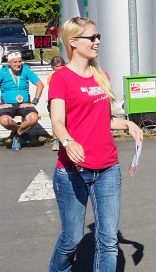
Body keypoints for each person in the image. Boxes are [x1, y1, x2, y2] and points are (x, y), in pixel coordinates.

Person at [48, 17, 143, 272]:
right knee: (72, 239)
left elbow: (104, 119)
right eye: (92, 37)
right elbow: (57, 121)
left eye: (98, 36)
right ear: (73, 42)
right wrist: (68, 141)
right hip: (72, 172)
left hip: (107, 168)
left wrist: (127, 124)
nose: (97, 41)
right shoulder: (61, 78)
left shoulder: (102, 76)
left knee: (109, 241)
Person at [0, 50, 44, 150]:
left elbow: (40, 85)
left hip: (24, 104)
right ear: (9, 63)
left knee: (34, 118)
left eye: (20, 61)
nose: (18, 64)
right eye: (15, 62)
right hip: (7, 105)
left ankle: (18, 135)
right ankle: (20, 130)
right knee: (4, 121)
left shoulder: (25, 69)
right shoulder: (3, 71)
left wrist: (34, 102)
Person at [47, 55, 66, 151]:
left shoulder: (68, 75)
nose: (59, 68)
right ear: (52, 67)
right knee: (56, 121)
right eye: (56, 66)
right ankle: (55, 140)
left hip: (67, 102)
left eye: (61, 65)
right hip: (55, 102)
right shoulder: (51, 77)